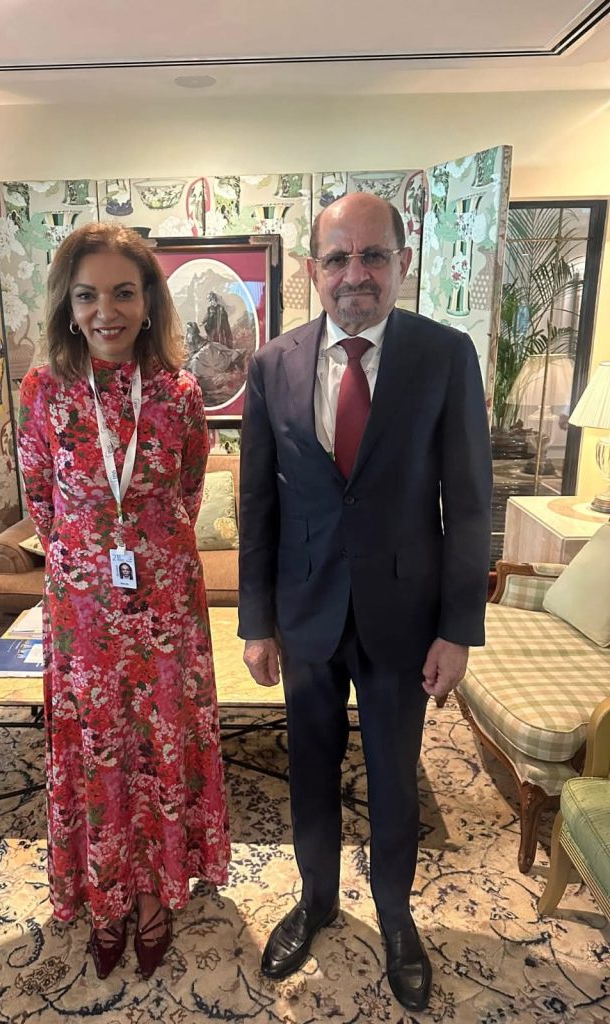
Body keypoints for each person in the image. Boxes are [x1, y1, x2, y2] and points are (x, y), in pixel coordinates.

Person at [238, 193, 492, 1011]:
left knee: (394, 778)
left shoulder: (445, 356)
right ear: (314, 270)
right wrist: (256, 623)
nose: (357, 275)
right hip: (305, 614)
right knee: (308, 772)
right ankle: (315, 901)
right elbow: (258, 504)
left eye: (373, 256)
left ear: (401, 263)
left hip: (404, 617)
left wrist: (457, 629)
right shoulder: (272, 364)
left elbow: (469, 504)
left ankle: (395, 917)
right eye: (339, 258)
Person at [17, 223, 230, 982]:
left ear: (148, 302)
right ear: (67, 306)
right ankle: (105, 897)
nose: (105, 311)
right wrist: (92, 564)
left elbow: (190, 490)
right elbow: (40, 498)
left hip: (166, 605)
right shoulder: (43, 391)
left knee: (159, 746)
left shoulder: (179, 392)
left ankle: (154, 895)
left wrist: (143, 550)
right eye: (87, 295)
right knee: (96, 747)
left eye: (122, 293)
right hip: (81, 612)